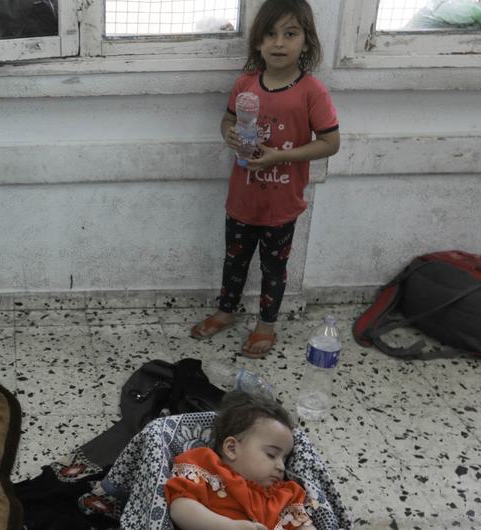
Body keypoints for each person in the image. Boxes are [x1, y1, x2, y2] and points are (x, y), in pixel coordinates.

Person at [190, 0, 339, 358]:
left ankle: (266, 325)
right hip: (241, 201)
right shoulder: (245, 85)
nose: (278, 43)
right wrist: (228, 133)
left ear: (306, 42)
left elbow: (331, 143)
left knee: (274, 269)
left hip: (281, 206)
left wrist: (280, 156)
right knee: (234, 261)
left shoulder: (311, 92)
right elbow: (228, 121)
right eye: (270, 34)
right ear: (257, 41)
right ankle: (226, 311)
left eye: (290, 34)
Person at [165, 391, 314, 530]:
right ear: (231, 449)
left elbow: (303, 526)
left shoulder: (285, 495)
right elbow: (180, 508)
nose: (281, 467)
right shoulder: (206, 468)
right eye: (271, 454)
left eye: (285, 458)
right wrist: (228, 526)